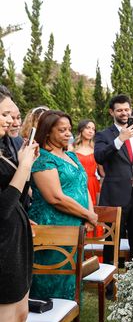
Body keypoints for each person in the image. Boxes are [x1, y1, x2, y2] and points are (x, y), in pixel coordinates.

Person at [0, 86, 44, 322]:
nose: (10, 120)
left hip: (15, 238)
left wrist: (26, 162)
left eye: (12, 113)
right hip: (2, 244)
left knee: (19, 316)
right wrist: (24, 168)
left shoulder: (6, 146)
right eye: (3, 114)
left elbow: (20, 195)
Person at [28, 111, 97, 303]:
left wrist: (90, 214)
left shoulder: (72, 157)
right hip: (53, 224)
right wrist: (88, 215)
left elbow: (83, 187)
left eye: (69, 129)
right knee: (52, 272)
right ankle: (46, 320)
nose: (68, 134)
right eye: (62, 130)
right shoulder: (43, 159)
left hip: (75, 223)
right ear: (48, 132)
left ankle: (69, 315)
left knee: (72, 272)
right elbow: (55, 197)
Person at [94, 94, 133, 268]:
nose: (124, 113)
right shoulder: (104, 135)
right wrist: (119, 140)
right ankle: (109, 284)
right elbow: (99, 156)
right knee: (112, 241)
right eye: (119, 110)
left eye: (126, 109)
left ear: (131, 110)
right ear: (111, 112)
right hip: (115, 197)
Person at [73, 119, 104, 206]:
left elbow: (102, 172)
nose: (91, 131)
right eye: (88, 128)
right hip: (76, 184)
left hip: (93, 184)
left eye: (93, 129)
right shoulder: (71, 149)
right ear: (81, 129)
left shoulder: (96, 149)